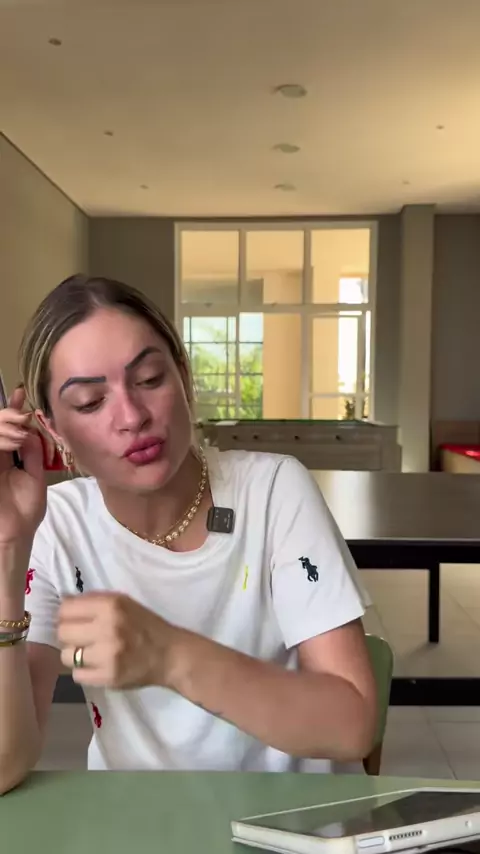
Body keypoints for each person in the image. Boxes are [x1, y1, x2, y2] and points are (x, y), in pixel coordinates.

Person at [0, 274, 376, 793]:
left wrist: (170, 655)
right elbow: (5, 764)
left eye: (149, 378)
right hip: (138, 819)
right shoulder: (55, 525)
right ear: (53, 429)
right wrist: (7, 548)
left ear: (182, 373)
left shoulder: (273, 489)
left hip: (293, 818)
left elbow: (352, 727)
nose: (132, 417)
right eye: (89, 402)